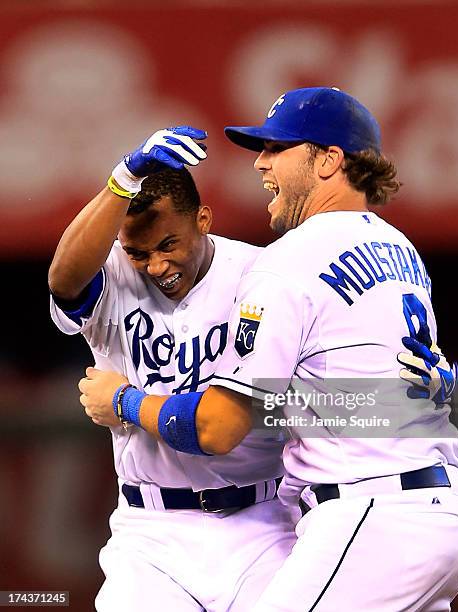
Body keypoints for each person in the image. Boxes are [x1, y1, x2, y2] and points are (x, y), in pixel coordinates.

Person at [80, 88, 458, 611]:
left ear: (329, 160)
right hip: (443, 510)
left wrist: (124, 402)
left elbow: (218, 428)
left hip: (371, 513)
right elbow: (360, 400)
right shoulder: (400, 248)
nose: (260, 163)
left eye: (277, 148)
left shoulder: (287, 260)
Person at [48, 126, 297, 612]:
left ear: (203, 219)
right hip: (151, 534)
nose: (157, 265)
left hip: (263, 522)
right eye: (139, 252)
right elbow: (64, 280)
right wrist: (122, 180)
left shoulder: (262, 274)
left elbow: (224, 423)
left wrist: (124, 401)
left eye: (168, 245)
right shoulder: (117, 270)